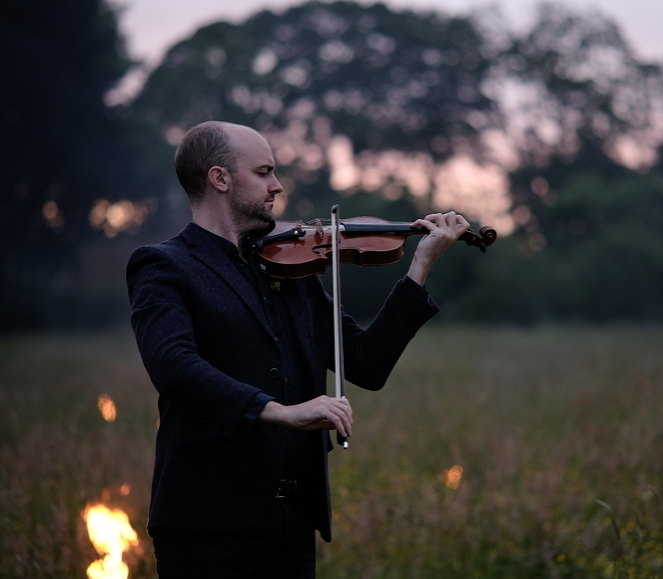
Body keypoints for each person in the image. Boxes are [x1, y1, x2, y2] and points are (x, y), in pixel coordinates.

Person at [126, 120, 471, 578]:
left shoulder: (292, 269)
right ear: (220, 179)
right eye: (264, 172)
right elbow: (173, 365)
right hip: (207, 521)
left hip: (293, 518)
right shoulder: (165, 265)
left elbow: (366, 363)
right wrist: (279, 411)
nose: (277, 186)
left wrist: (420, 266)